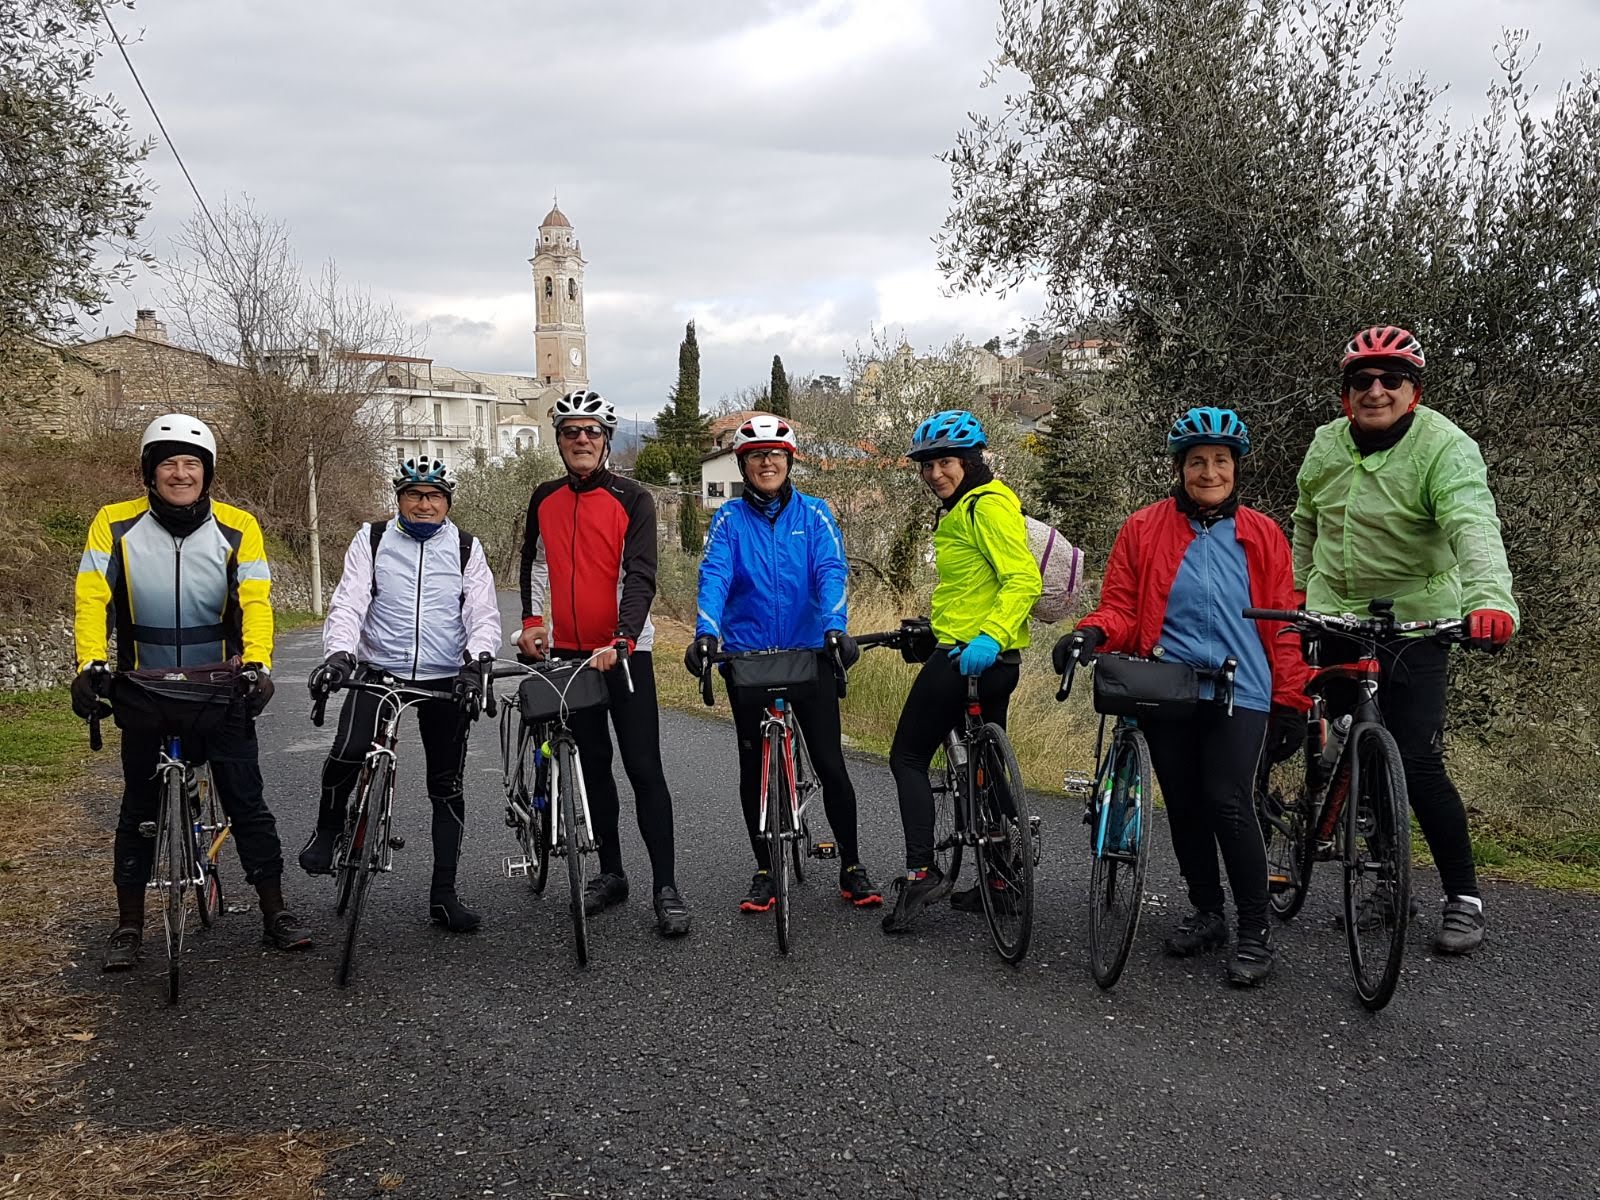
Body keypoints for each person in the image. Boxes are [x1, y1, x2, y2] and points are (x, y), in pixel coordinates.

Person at [1053, 407, 1310, 986]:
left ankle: (1254, 930)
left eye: (1221, 461)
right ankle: (1208, 911)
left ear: (1236, 468)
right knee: (1186, 804)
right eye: (1198, 462)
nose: (1210, 472)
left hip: (1243, 688)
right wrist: (1091, 632)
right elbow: (1122, 607)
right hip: (1168, 686)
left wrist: (1292, 698)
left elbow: (1284, 623)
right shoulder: (1144, 528)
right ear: (1180, 468)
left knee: (1228, 801)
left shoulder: (1263, 534)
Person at [1292, 326, 1517, 956]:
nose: (1376, 390)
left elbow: (1473, 523)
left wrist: (1489, 601)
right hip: (1336, 614)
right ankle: (1385, 879)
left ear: (1413, 392)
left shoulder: (1445, 447)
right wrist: (1297, 588)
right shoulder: (1326, 444)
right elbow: (1305, 521)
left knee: (1416, 759)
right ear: (1346, 395)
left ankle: (1463, 897)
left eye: (1392, 379)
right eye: (1362, 380)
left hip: (1417, 617)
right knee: (1358, 746)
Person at [72, 413, 313, 970]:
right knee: (138, 807)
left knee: (246, 801)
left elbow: (255, 600)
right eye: (168, 464)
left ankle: (275, 911)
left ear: (207, 473)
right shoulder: (113, 524)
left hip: (219, 688)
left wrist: (258, 663)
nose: (180, 474)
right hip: (143, 687)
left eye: (191, 464)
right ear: (149, 473)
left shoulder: (238, 526)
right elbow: (92, 597)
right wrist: (90, 663)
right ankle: (129, 925)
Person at [684, 414, 882, 912]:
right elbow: (715, 575)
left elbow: (831, 570)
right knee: (753, 767)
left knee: (831, 762)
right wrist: (706, 633)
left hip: (808, 653)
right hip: (748, 656)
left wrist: (834, 625)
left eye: (775, 454)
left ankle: (853, 865)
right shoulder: (729, 520)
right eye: (756, 455)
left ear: (789, 461)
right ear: (744, 465)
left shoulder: (815, 514)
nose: (766, 462)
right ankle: (765, 870)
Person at [298, 456, 501, 932]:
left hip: (445, 675)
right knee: (349, 750)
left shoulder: (466, 547)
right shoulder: (372, 539)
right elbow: (350, 601)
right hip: (381, 669)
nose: (424, 504)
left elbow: (482, 612)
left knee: (446, 784)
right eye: (414, 494)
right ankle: (328, 830)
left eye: (433, 496)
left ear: (447, 502)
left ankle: (444, 894)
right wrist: (339, 654)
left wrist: (477, 663)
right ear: (399, 499)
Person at [516, 389, 691, 937]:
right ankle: (611, 874)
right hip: (569, 655)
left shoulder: (632, 498)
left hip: (623, 652)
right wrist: (532, 623)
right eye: (571, 431)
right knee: (593, 766)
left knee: (643, 769)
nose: (582, 439)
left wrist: (623, 637)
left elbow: (641, 574)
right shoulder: (544, 497)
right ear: (559, 440)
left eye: (592, 431)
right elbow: (532, 564)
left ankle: (666, 887)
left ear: (607, 440)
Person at [881, 410, 1042, 935]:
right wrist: (937, 626)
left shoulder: (985, 506)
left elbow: (1022, 579)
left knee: (907, 756)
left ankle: (921, 872)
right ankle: (1001, 878)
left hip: (971, 655)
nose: (934, 474)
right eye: (926, 466)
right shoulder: (969, 507)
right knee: (985, 766)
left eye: (945, 462)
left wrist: (988, 635)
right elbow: (974, 587)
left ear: (970, 462)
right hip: (996, 660)